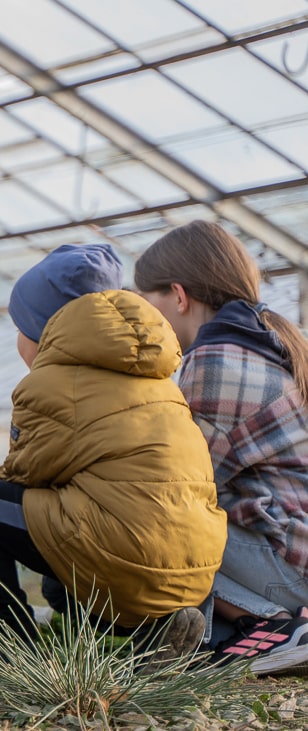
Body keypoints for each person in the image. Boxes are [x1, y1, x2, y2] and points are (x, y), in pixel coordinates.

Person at [0, 242, 226, 664]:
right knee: (55, 580)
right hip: (192, 570)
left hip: (124, 556)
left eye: (20, 327)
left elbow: (25, 476)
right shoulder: (158, 380)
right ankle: (154, 635)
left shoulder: (54, 385)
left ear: (44, 333)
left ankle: (18, 648)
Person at [135, 220, 308, 674]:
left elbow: (181, 485)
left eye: (148, 304)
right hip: (295, 551)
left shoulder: (214, 359)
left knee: (147, 521)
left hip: (290, 568)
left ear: (178, 295)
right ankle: (264, 626)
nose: (147, 320)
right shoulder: (267, 341)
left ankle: (269, 623)